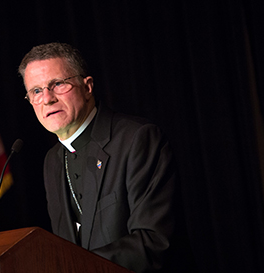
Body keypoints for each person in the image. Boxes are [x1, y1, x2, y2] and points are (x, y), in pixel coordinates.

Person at [19, 42, 180, 272]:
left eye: (58, 84)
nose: (47, 99)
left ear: (87, 87)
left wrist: (71, 267)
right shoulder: (52, 161)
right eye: (36, 91)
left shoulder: (136, 139)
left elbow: (154, 242)